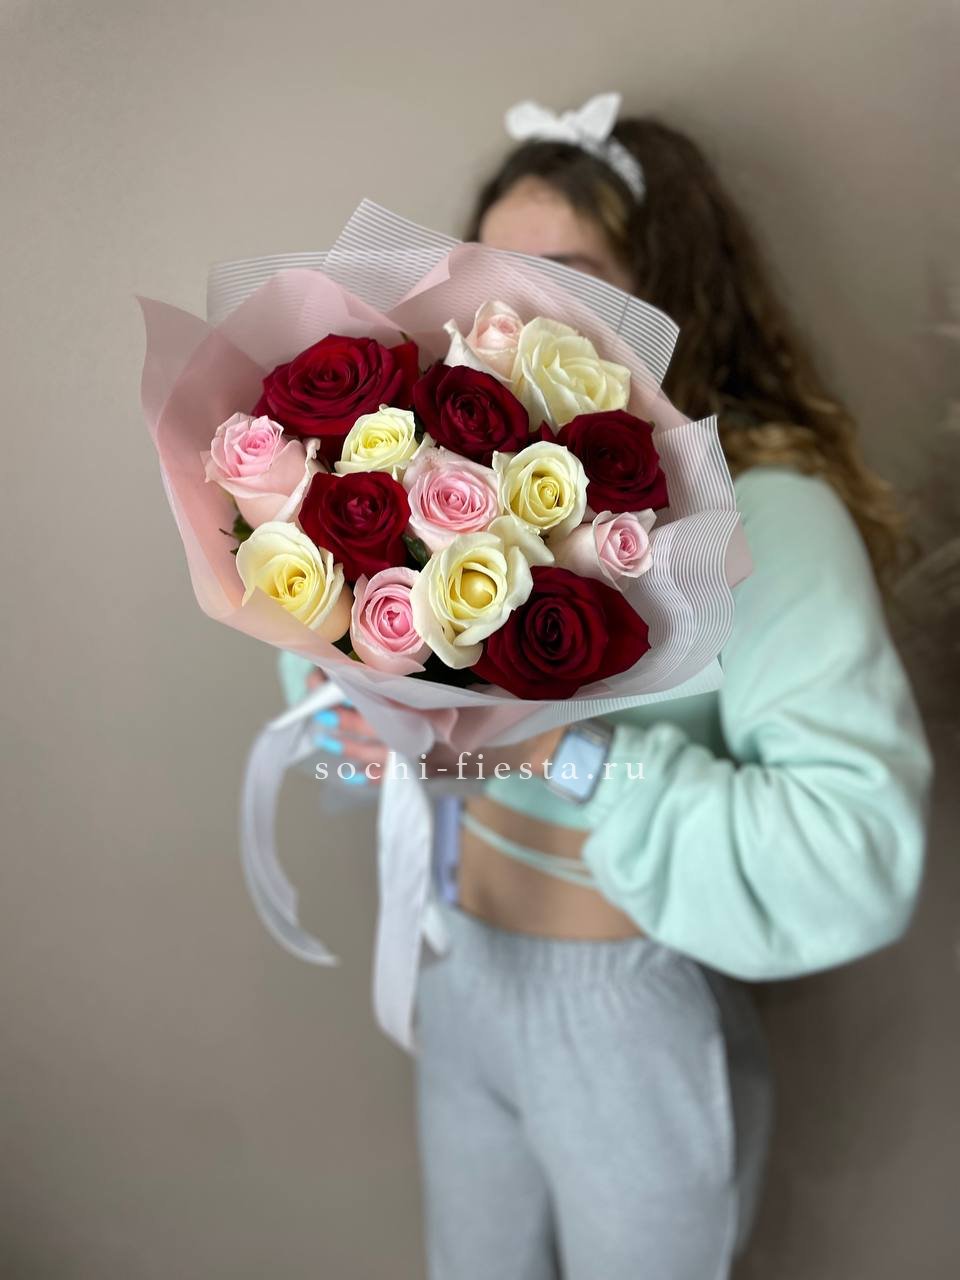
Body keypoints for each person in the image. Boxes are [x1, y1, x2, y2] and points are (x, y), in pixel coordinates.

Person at [279, 98, 932, 1280]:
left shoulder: (768, 518)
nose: (516, 315)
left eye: (570, 279)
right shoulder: (449, 477)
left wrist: (557, 745)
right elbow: (342, 737)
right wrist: (355, 669)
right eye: (491, 276)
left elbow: (849, 847)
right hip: (458, 976)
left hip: (627, 1020)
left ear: (668, 294)